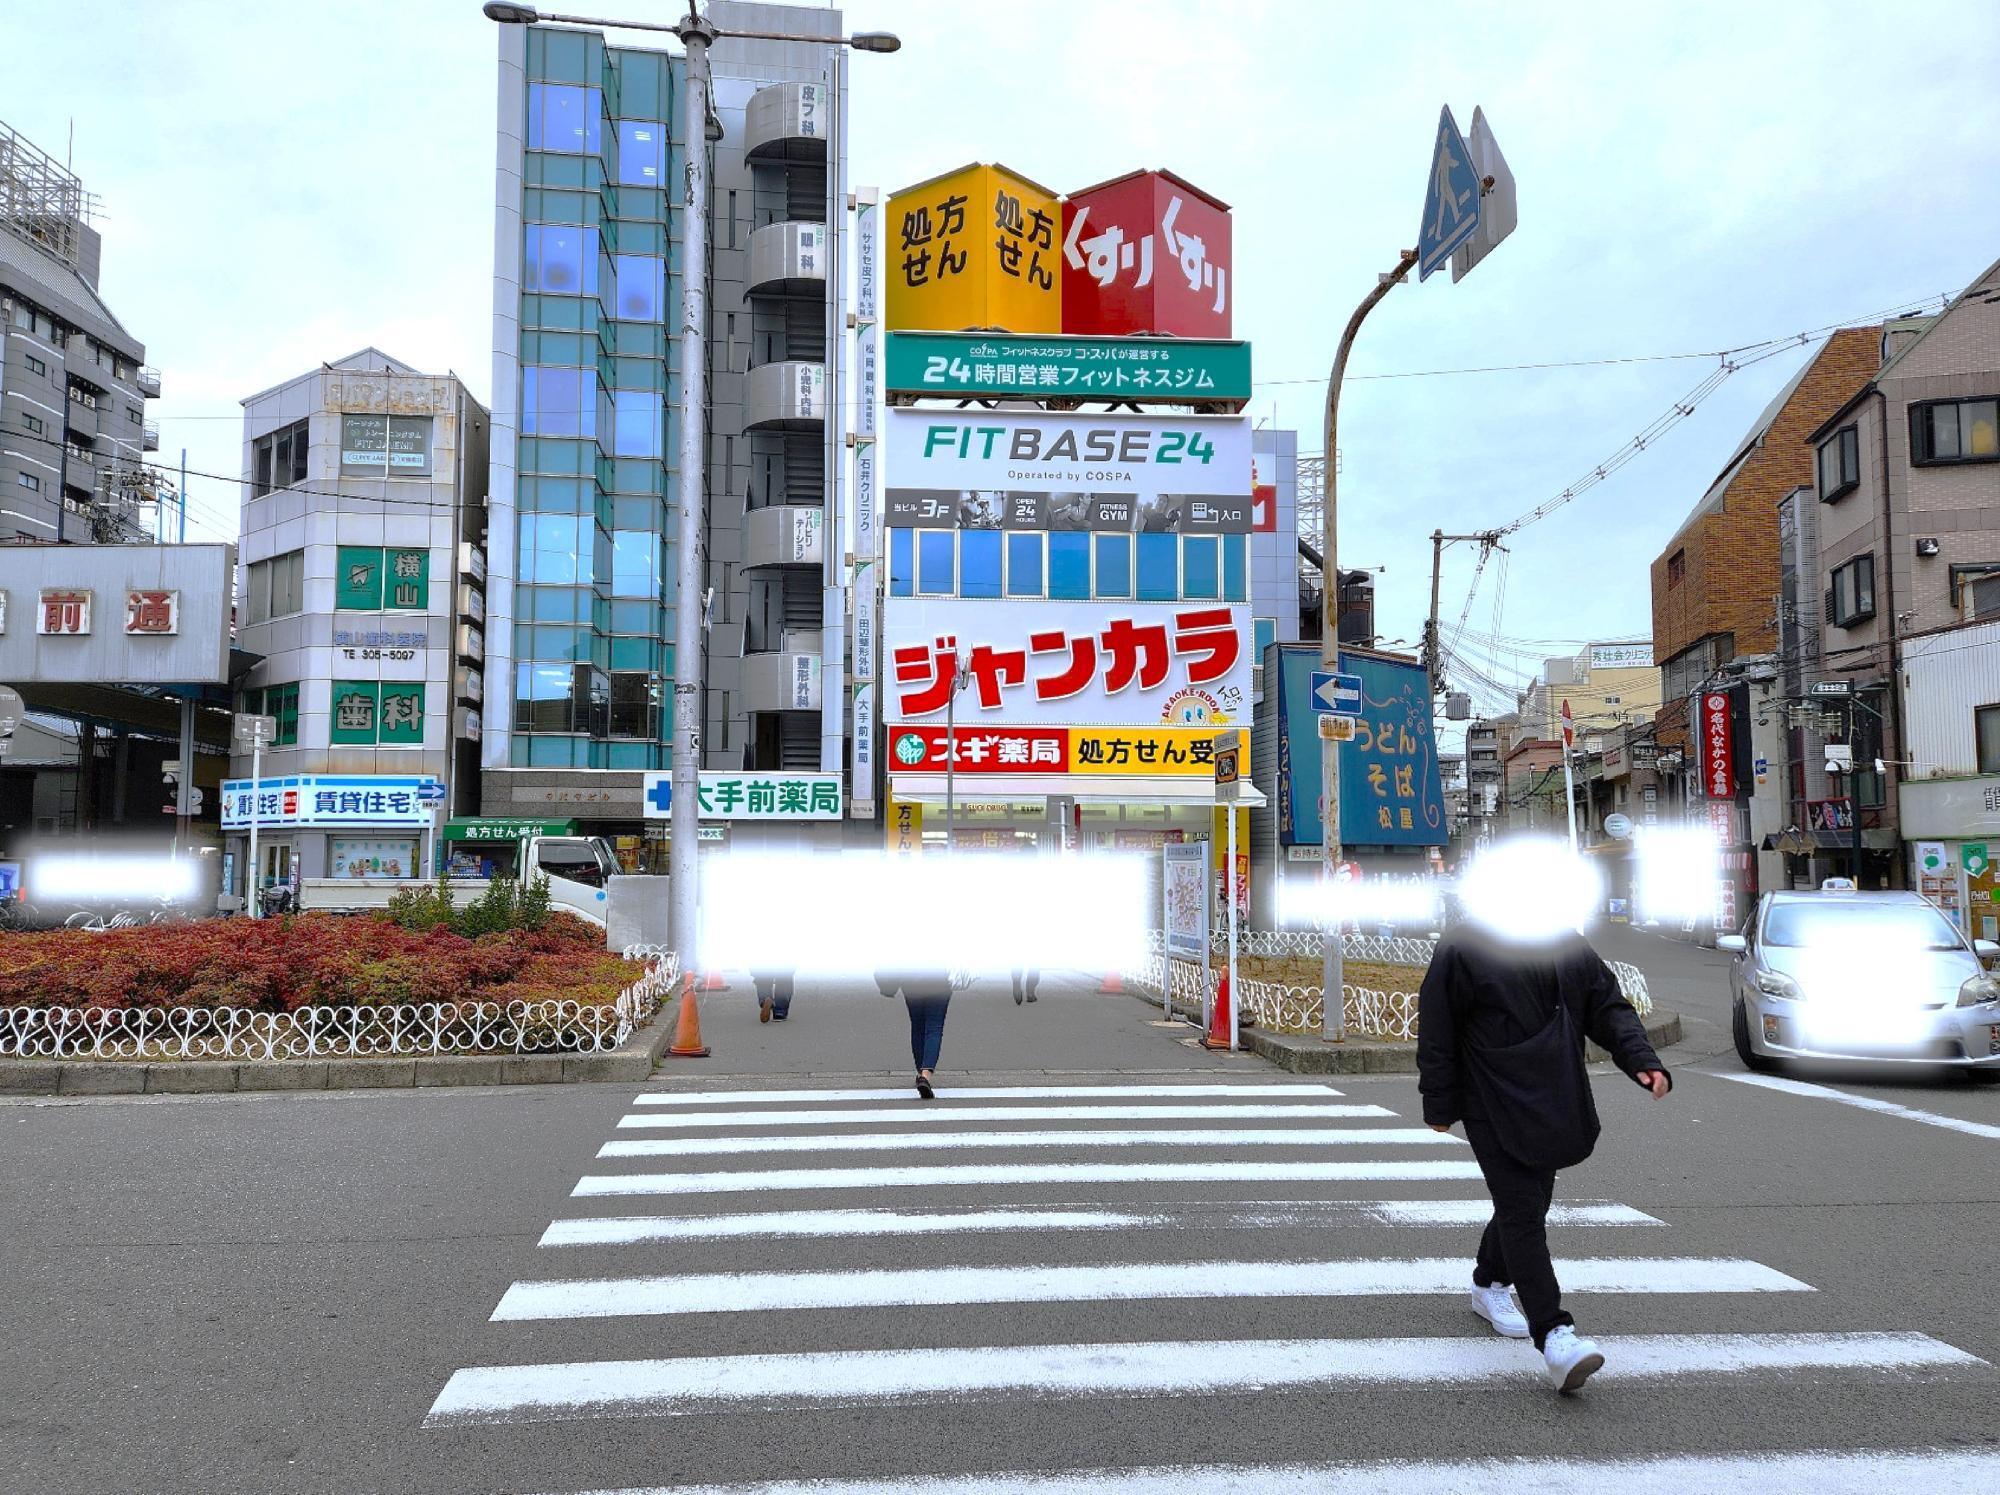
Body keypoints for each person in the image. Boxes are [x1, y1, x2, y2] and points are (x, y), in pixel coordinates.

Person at [1417, 918, 1671, 1393]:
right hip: (1487, 1093)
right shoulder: (1464, 943)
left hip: (1549, 1089)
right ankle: (1556, 1335)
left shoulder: (1561, 939)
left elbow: (1605, 1003)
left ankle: (1488, 1282)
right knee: (1521, 1208)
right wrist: (1440, 1102)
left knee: (1532, 1200)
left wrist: (1641, 1059)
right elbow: (1437, 1023)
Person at [876, 966, 953, 1099]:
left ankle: (920, 1072)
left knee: (917, 1025)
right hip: (939, 978)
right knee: (934, 1027)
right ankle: (925, 1075)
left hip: (910, 979)